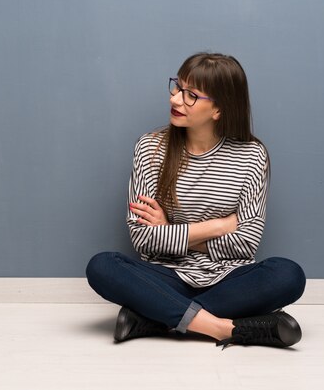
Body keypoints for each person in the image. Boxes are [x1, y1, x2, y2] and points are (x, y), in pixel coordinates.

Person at [85, 52, 306, 349]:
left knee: (288, 275)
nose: (176, 99)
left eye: (191, 95)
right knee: (102, 266)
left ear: (218, 109)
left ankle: (155, 317)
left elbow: (247, 242)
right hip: (166, 274)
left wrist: (170, 230)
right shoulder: (150, 148)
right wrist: (219, 226)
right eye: (177, 87)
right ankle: (224, 328)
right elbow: (142, 238)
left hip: (229, 277)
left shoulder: (252, 155)